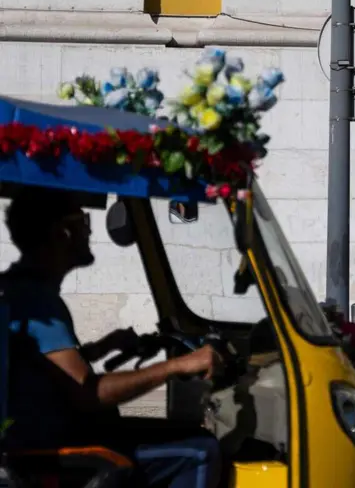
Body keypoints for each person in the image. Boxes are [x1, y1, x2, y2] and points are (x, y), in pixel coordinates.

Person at [2, 187, 222, 487]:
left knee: (182, 432)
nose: (89, 232)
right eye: (83, 222)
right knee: (201, 450)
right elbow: (89, 394)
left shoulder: (21, 290)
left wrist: (100, 348)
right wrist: (176, 366)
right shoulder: (37, 301)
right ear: (61, 233)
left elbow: (44, 368)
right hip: (52, 452)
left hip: (48, 437)